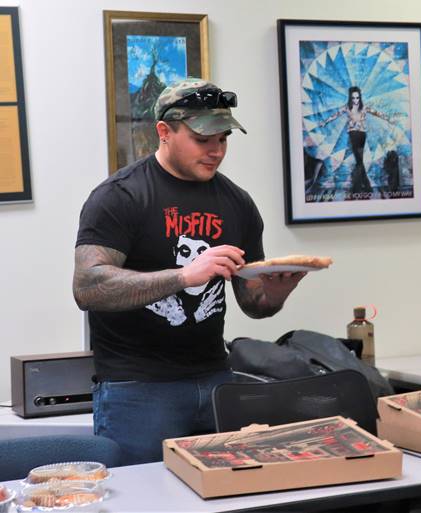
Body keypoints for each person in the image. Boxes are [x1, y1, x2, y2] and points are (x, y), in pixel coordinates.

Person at [73, 78, 307, 465]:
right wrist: (183, 276)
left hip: (216, 379)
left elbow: (253, 304)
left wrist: (276, 291)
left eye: (224, 139)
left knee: (226, 499)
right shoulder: (120, 196)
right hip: (138, 389)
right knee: (147, 503)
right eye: (203, 139)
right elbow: (88, 287)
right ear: (164, 132)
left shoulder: (237, 203)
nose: (216, 151)